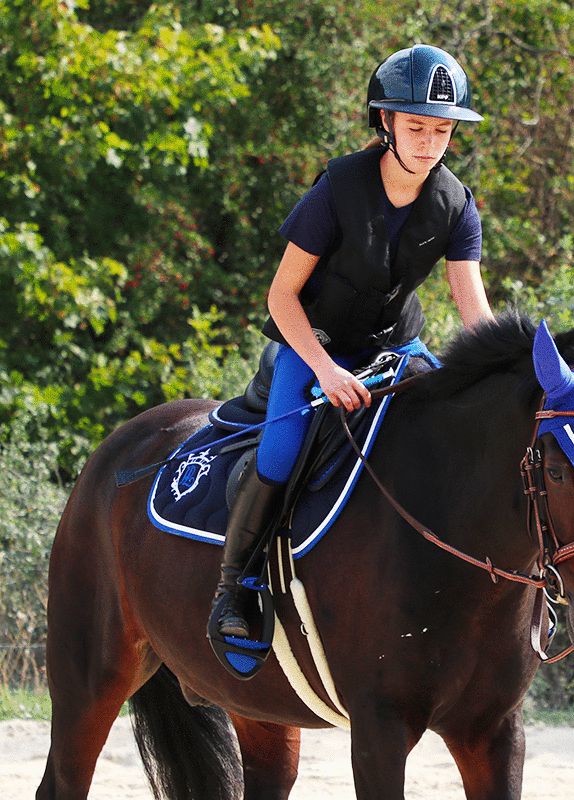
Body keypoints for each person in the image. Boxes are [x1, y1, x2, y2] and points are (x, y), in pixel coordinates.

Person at [213, 44, 494, 640]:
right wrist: (325, 370)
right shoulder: (337, 188)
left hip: (396, 348)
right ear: (385, 122)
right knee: (279, 452)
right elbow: (281, 297)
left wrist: (514, 374)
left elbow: (475, 312)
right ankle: (233, 588)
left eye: (442, 130)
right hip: (314, 345)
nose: (430, 143)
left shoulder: (457, 204)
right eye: (416, 127)